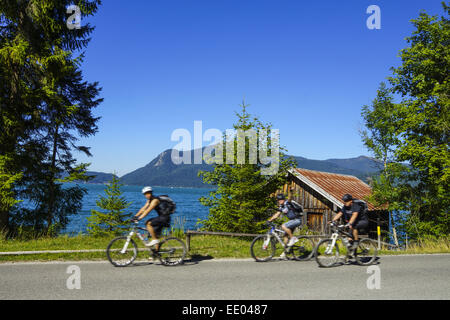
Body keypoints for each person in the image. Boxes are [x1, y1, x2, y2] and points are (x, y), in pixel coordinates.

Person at [267, 193, 303, 259]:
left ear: (283, 199)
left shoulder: (288, 203)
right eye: (278, 200)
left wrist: (291, 191)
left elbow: (290, 198)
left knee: (283, 226)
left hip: (297, 220)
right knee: (285, 236)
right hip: (292, 221)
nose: (279, 201)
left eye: (280, 200)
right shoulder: (281, 207)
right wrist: (269, 220)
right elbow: (276, 215)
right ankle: (285, 252)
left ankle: (293, 238)